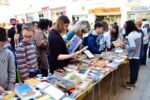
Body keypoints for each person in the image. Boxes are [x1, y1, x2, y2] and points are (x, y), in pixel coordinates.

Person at [123, 20, 142, 90]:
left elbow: (133, 47)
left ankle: (131, 85)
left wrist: (126, 46)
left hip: (133, 56)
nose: (125, 27)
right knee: (135, 70)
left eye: (125, 26)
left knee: (133, 70)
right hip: (137, 54)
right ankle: (132, 82)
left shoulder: (131, 35)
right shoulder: (136, 33)